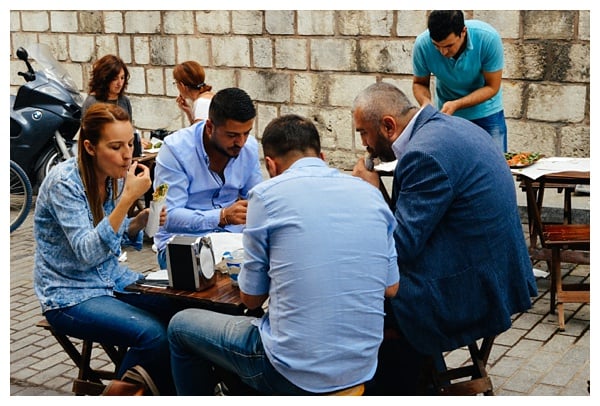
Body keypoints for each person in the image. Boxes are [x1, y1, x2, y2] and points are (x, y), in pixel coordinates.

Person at [167, 114, 400, 395]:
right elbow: (391, 287)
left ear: (271, 165)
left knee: (180, 326)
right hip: (361, 367)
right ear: (323, 156)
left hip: (291, 372)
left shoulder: (265, 196)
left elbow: (251, 298)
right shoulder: (371, 195)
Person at [351, 82, 537, 394]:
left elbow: (400, 247)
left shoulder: (424, 154)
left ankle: (390, 388)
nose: (364, 144)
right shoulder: (452, 128)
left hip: (475, 287)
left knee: (366, 296)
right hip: (499, 271)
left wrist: (370, 190)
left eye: (363, 133)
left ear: (387, 125)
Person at [33, 103, 177, 395]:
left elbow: (110, 237)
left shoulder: (110, 176)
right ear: (89, 147)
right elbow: (87, 251)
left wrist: (137, 222)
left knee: (184, 313)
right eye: (116, 146)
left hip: (113, 279)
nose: (127, 154)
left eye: (129, 143)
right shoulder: (64, 183)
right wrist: (126, 201)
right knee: (153, 335)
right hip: (69, 294)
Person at [152, 87, 263, 270]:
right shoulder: (174, 150)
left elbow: (257, 199)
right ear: (210, 127)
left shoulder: (248, 148)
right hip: (181, 244)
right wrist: (221, 216)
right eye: (232, 135)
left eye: (246, 133)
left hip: (233, 240)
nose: (241, 142)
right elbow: (166, 216)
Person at [412, 10, 507, 152]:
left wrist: (457, 104)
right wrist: (427, 105)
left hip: (487, 114)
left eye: (448, 46)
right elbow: (419, 83)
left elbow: (492, 86)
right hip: (447, 116)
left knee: (497, 165)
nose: (443, 52)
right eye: (436, 46)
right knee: (452, 166)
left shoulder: (488, 39)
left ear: (463, 32)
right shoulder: (422, 45)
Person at [82, 54, 150, 150]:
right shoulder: (92, 102)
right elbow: (89, 136)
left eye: (122, 78)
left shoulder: (124, 101)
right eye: (115, 79)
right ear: (104, 79)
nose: (119, 83)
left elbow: (129, 131)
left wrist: (137, 140)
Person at [173, 60, 215, 125]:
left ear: (182, 85)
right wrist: (188, 112)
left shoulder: (202, 103)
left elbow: (200, 134)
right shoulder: (207, 97)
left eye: (176, 82)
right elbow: (197, 130)